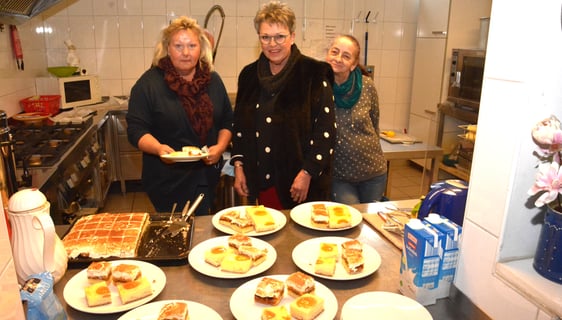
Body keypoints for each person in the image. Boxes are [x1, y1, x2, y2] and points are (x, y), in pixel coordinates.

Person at [231, 1, 336, 210]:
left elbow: (326, 132)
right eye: (266, 37)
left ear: (293, 36)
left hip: (302, 184)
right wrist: (239, 166)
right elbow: (241, 127)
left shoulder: (313, 73)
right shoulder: (249, 75)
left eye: (280, 36)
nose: (273, 44)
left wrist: (307, 173)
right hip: (262, 183)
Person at [126, 16, 233, 215]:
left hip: (207, 175)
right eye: (178, 46)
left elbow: (227, 119)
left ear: (201, 49)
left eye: (192, 45)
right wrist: (158, 148)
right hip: (166, 179)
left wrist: (220, 147)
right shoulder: (149, 84)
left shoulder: (213, 80)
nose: (186, 53)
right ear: (167, 48)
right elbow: (135, 129)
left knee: (202, 230)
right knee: (175, 233)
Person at [325, 34, 387, 204]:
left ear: (353, 64)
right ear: (327, 55)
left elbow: (374, 123)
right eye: (334, 52)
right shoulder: (319, 87)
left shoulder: (367, 85)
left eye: (346, 56)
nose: (338, 59)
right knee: (349, 221)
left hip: (374, 173)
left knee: (370, 224)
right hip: (340, 176)